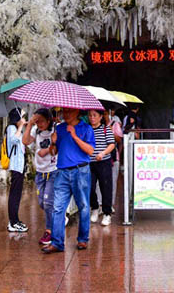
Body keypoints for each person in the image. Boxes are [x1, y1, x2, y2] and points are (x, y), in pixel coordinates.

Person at [41, 107, 95, 254]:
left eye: (69, 112)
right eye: (64, 112)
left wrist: (75, 135)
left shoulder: (86, 128)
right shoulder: (59, 128)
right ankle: (57, 242)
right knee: (58, 208)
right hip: (62, 172)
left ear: (77, 112)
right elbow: (53, 153)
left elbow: (90, 151)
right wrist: (53, 142)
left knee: (83, 206)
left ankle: (83, 239)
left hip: (81, 171)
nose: (66, 115)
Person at [22, 108, 57, 246]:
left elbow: (57, 149)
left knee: (48, 203)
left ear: (49, 120)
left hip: (53, 171)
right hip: (40, 172)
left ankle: (49, 231)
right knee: (42, 202)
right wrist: (30, 124)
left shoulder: (55, 130)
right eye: (37, 121)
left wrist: (47, 149)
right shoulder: (35, 131)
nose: (40, 124)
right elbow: (25, 141)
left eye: (42, 121)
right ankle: (57, 216)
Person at [88, 109, 116, 226]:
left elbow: (112, 144)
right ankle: (95, 208)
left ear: (100, 117)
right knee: (89, 187)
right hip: (89, 163)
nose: (92, 118)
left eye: (95, 115)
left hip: (104, 162)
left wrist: (103, 153)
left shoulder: (105, 129)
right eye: (90, 115)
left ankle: (107, 213)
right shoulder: (87, 129)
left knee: (105, 188)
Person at [5, 107, 28, 232]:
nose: (23, 119)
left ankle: (15, 220)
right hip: (16, 166)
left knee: (17, 195)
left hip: (20, 166)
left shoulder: (17, 129)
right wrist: (20, 127)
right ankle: (13, 222)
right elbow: (13, 140)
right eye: (22, 117)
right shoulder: (11, 128)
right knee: (14, 195)